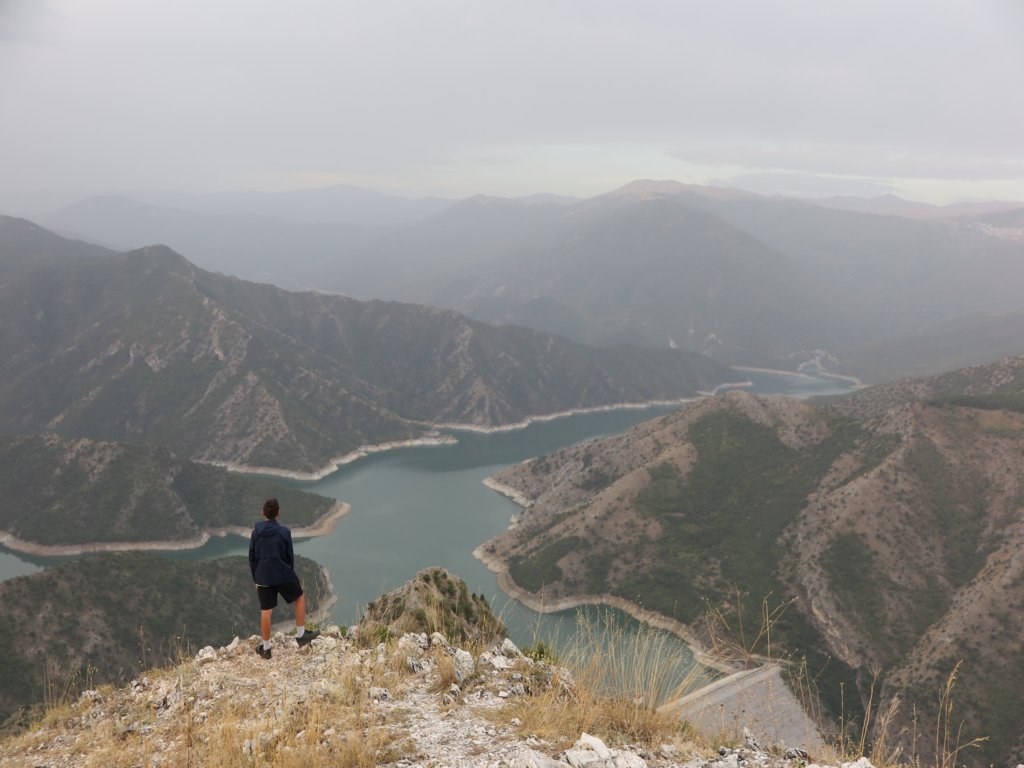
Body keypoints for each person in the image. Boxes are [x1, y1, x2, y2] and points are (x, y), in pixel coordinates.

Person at [248, 497, 320, 659]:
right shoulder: (284, 532)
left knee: (266, 612)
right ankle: (301, 635)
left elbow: (252, 558)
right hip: (283, 574)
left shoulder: (255, 533)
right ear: (278, 513)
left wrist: (256, 578)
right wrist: (289, 573)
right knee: (299, 597)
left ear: (263, 512)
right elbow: (289, 556)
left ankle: (266, 648)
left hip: (263, 577)